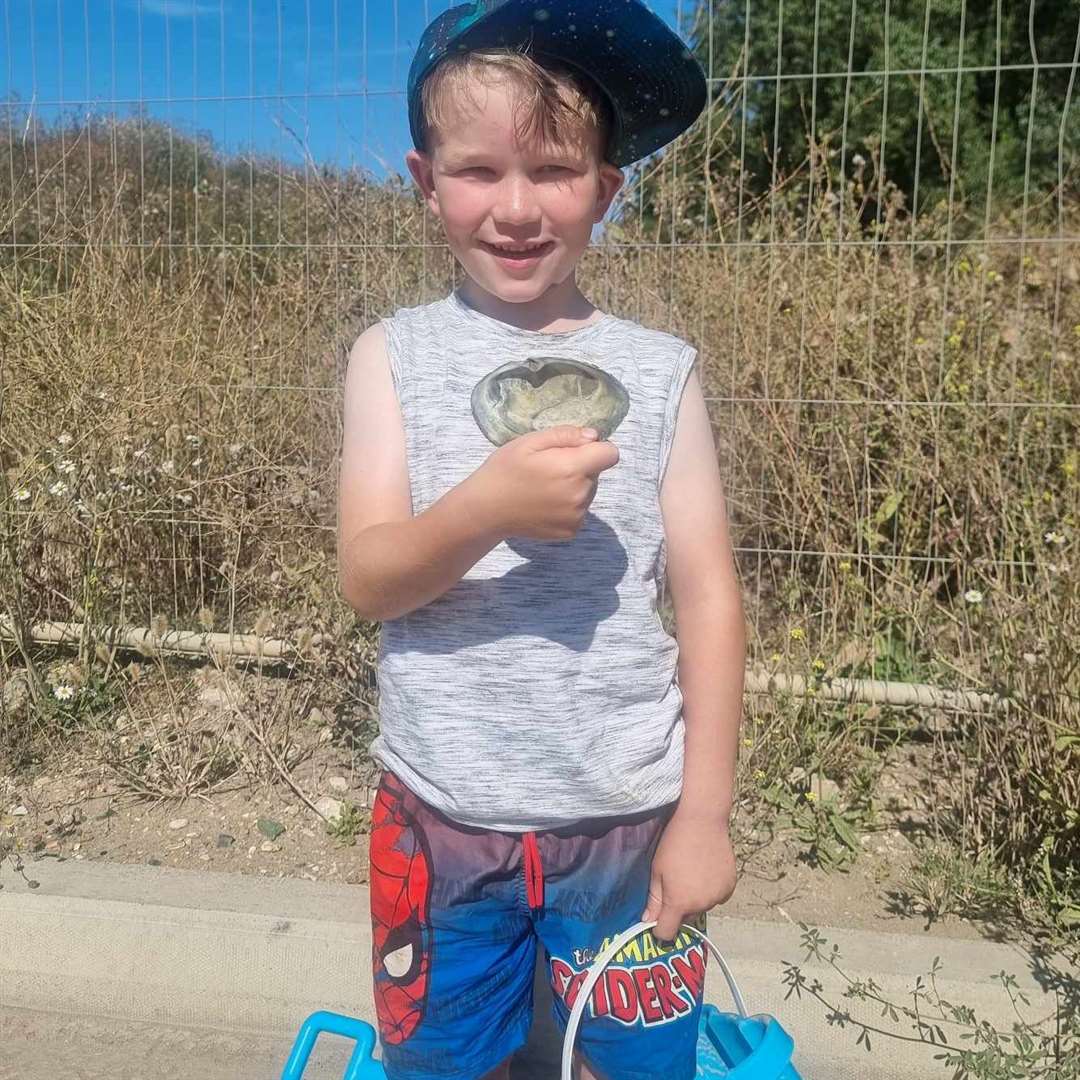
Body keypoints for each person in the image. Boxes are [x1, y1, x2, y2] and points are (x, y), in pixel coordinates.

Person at [337, 3, 745, 1077]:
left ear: (607, 190)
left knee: (623, 1062)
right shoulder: (390, 356)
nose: (516, 207)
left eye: (556, 170)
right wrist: (485, 509)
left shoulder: (664, 372)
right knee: (447, 1064)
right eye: (478, 171)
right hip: (441, 819)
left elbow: (706, 596)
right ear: (426, 183)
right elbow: (369, 577)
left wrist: (704, 816)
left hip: (626, 819)